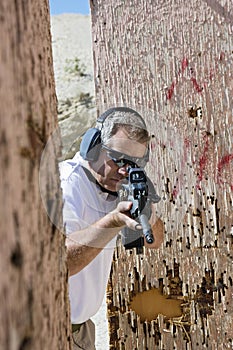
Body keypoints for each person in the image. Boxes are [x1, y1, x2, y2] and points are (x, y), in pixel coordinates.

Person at [59, 107, 164, 349]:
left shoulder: (113, 190)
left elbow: (154, 241)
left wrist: (146, 210)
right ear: (93, 147)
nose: (125, 169)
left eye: (135, 162)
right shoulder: (66, 186)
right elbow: (59, 263)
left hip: (80, 330)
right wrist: (113, 221)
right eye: (117, 157)